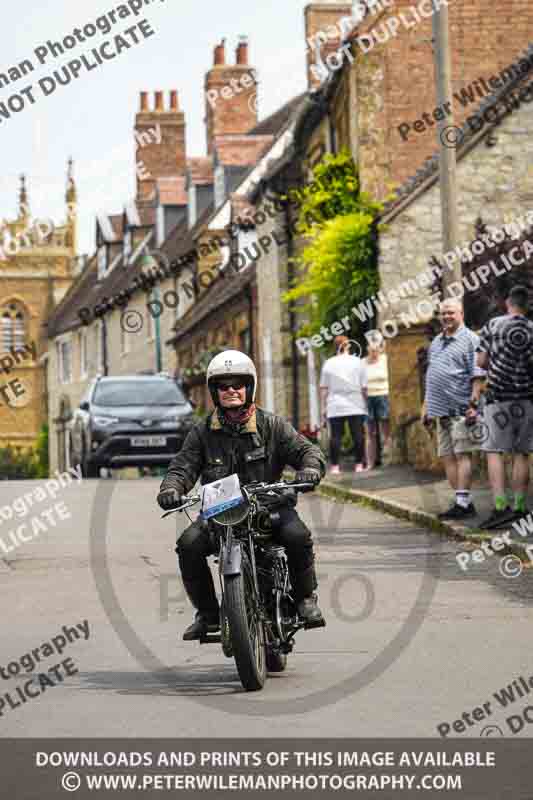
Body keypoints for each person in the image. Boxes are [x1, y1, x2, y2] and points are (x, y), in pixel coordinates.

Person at [157, 350, 326, 640]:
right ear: (214, 391)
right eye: (224, 385)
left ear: (250, 387)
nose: (231, 390)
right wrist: (171, 489)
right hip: (220, 512)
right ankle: (208, 614)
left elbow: (307, 451)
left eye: (238, 384)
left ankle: (305, 599)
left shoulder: (271, 425)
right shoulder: (202, 432)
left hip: (269, 506)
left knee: (297, 536)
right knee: (188, 544)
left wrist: (310, 469)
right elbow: (182, 467)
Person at [474, 285, 533, 529]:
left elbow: (481, 361)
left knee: (494, 451)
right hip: (527, 398)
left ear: (508, 302)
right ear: (526, 305)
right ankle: (520, 507)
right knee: (522, 453)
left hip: (498, 398)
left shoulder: (492, 325)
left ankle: (500, 507)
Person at [422, 298, 485, 519]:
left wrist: (474, 403)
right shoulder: (437, 341)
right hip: (439, 410)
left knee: (462, 455)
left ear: (461, 313)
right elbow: (431, 376)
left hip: (461, 408)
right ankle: (462, 502)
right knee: (447, 456)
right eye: (443, 313)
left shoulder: (471, 340)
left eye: (451, 312)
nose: (446, 316)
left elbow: (478, 374)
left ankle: (462, 503)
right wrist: (426, 407)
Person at [320, 335, 368, 475]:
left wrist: (323, 408)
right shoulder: (358, 362)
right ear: (347, 346)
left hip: (335, 404)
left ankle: (335, 466)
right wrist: (365, 403)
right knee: (358, 435)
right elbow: (364, 387)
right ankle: (359, 464)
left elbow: (324, 388)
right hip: (355, 402)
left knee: (335, 436)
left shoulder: (328, 363)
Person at [363, 338, 391, 469]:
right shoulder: (362, 363)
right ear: (368, 349)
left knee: (386, 429)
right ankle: (370, 463)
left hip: (384, 395)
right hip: (368, 398)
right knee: (370, 432)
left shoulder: (385, 359)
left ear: (380, 349)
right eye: (371, 349)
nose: (374, 352)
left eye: (376, 349)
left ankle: (390, 459)